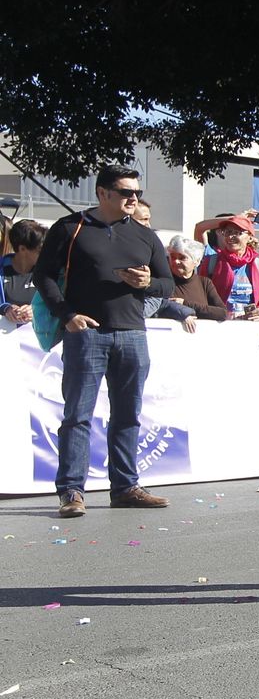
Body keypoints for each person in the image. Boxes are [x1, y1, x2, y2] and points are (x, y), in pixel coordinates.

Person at [32, 165, 175, 518]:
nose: (133, 199)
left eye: (137, 193)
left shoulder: (146, 236)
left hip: (133, 334)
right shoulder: (70, 228)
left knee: (128, 415)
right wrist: (67, 315)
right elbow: (43, 276)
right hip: (86, 334)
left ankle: (125, 487)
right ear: (102, 193)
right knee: (77, 415)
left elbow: (167, 285)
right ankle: (71, 492)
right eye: (126, 192)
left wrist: (145, 284)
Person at [196, 215, 259, 320]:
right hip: (218, 325)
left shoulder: (258, 265)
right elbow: (199, 295)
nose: (230, 237)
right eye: (228, 232)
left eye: (237, 233)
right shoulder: (212, 262)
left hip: (249, 328)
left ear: (249, 236)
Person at [165, 237, 229, 322]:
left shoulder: (205, 283)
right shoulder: (164, 283)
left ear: (196, 261)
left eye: (182, 258)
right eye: (172, 257)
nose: (176, 261)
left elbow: (222, 313)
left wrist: (184, 304)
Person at [1, 218, 45, 332]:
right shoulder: (2, 268)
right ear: (22, 249)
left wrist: (36, 309)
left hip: (38, 344)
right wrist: (5, 308)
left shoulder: (48, 272)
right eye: (39, 250)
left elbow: (59, 302)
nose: (45, 254)